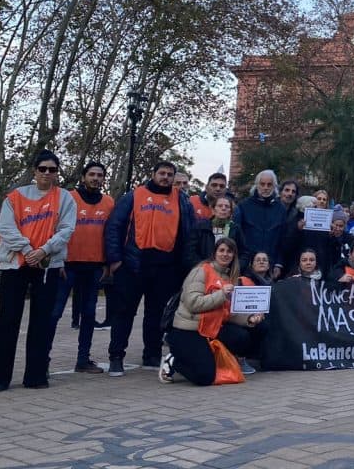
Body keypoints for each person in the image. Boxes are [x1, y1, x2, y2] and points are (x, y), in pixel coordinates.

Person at [0, 150, 77, 392]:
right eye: (43, 168)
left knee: (42, 322)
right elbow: (5, 227)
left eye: (52, 169)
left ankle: (35, 376)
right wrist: (27, 250)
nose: (47, 173)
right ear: (34, 170)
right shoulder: (15, 196)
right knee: (8, 320)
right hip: (15, 264)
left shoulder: (65, 198)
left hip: (48, 266)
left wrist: (44, 251)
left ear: (57, 173)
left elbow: (66, 230)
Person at [104, 160, 195, 375]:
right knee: (124, 313)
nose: (165, 177)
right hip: (133, 265)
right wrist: (115, 260)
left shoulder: (181, 200)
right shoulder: (134, 196)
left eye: (169, 174)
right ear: (153, 174)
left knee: (156, 314)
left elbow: (190, 232)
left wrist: (185, 265)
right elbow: (114, 226)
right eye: (162, 173)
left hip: (165, 267)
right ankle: (116, 356)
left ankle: (152, 354)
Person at [159, 238, 263, 386]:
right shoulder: (200, 271)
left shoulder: (230, 277)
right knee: (205, 377)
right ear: (214, 253)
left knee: (242, 337)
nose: (225, 254)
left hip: (210, 328)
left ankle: (209, 357)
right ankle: (174, 359)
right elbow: (193, 303)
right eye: (221, 250)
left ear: (234, 255)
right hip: (189, 330)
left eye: (229, 251)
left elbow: (228, 313)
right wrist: (221, 294)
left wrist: (249, 319)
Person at [49, 161, 113, 374]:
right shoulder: (67, 198)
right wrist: (56, 260)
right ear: (83, 176)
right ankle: (42, 358)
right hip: (67, 266)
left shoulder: (109, 202)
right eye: (92, 174)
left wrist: (107, 262)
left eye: (100, 175)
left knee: (88, 315)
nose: (96, 178)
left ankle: (83, 359)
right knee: (54, 313)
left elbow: (110, 235)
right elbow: (53, 230)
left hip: (94, 267)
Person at [233, 170, 285, 276]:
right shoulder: (244, 206)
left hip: (270, 264)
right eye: (262, 184)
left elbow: (282, 239)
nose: (265, 187)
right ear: (257, 185)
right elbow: (237, 236)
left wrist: (278, 264)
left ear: (274, 186)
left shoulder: (281, 209)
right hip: (247, 264)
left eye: (269, 184)